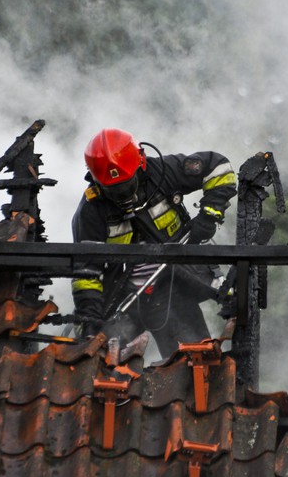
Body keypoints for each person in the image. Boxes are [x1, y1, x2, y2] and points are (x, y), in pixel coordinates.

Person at [71, 128, 237, 357]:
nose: (124, 195)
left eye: (127, 185)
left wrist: (209, 214)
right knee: (100, 362)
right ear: (96, 181)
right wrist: (90, 319)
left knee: (193, 362)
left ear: (141, 166)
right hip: (125, 297)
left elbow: (219, 167)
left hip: (175, 282)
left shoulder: (163, 171)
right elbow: (86, 274)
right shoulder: (90, 212)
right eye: (114, 190)